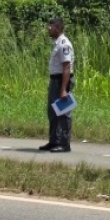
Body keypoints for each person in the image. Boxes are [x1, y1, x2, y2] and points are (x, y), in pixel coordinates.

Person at [39, 17, 74, 153]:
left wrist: (64, 89)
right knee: (52, 112)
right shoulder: (57, 43)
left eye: (51, 26)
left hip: (62, 80)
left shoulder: (65, 44)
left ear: (58, 28)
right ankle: (54, 141)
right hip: (55, 80)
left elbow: (66, 67)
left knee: (63, 112)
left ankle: (64, 144)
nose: (48, 28)